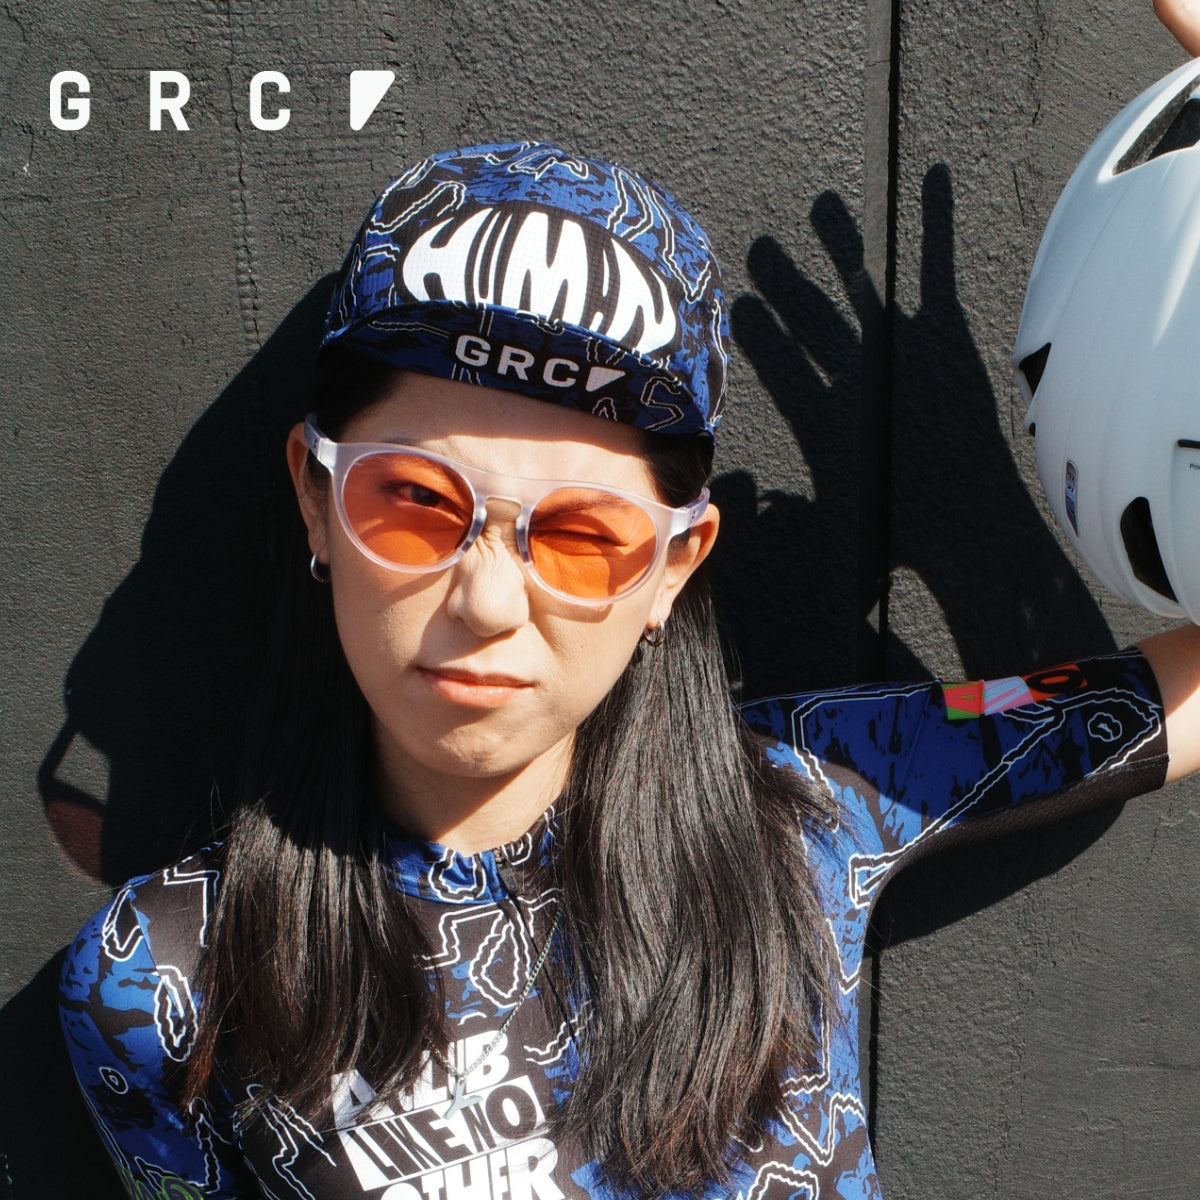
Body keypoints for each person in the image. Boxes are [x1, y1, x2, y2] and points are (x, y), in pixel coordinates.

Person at [57, 125, 1200, 1200]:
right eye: (414, 502)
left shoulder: (815, 800)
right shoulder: (160, 979)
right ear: (315, 500)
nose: (486, 603)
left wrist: (983, 536)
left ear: (673, 567)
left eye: (580, 536)